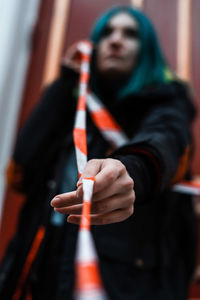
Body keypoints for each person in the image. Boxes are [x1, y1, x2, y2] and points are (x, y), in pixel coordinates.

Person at [0, 5, 197, 300]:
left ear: (148, 50)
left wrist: (135, 169)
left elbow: (166, 138)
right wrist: (65, 84)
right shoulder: (72, 105)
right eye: (106, 33)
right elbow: (22, 173)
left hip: (126, 279)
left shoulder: (167, 100)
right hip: (42, 266)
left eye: (130, 34)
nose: (115, 40)